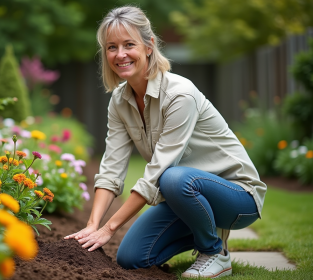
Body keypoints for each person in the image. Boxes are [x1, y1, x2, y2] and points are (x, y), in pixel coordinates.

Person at [64, 6, 266, 279]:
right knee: (131, 257)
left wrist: (109, 229)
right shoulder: (119, 101)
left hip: (238, 198)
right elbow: (111, 166)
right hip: (187, 194)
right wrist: (92, 225)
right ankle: (204, 230)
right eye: (112, 47)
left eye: (129, 44)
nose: (120, 54)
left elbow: (158, 172)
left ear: (149, 46)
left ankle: (214, 252)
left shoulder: (180, 95)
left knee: (171, 178)